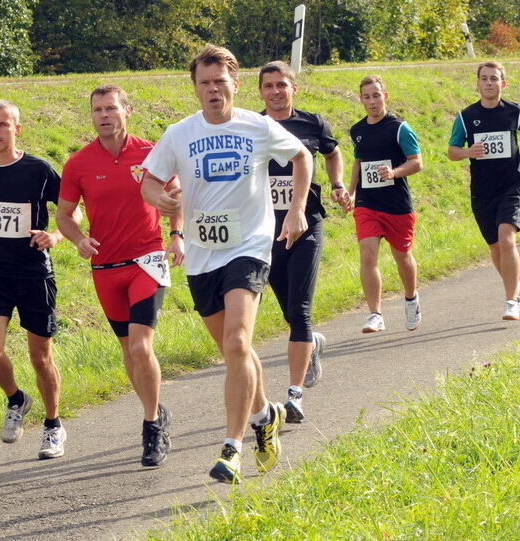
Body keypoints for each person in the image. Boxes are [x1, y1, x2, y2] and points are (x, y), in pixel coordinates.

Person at [141, 45, 313, 483]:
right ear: (195, 88)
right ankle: (263, 413)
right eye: (205, 83)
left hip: (250, 246)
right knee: (234, 352)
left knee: (237, 343)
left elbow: (301, 157)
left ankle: (231, 447)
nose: (213, 89)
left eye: (221, 81)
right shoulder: (180, 132)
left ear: (235, 83)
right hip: (202, 255)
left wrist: (295, 210)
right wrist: (158, 198)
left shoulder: (257, 126)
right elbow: (149, 180)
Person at [56, 84, 184, 467]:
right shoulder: (78, 163)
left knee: (142, 346)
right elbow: (64, 214)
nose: (104, 116)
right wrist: (78, 239)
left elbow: (177, 197)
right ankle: (156, 409)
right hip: (105, 267)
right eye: (97, 110)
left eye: (111, 108)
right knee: (128, 351)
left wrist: (176, 235)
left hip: (146, 260)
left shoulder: (150, 153)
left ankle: (150, 428)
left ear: (127, 111)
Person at [0, 100, 69, 460]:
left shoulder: (39, 169)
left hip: (34, 273)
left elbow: (72, 210)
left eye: (3, 125)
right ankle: (16, 399)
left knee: (41, 358)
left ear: (16, 129)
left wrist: (54, 236)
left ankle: (53, 425)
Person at [258, 61, 349, 423]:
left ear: (293, 88)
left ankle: (294, 397)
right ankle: (311, 345)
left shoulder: (312, 123)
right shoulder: (254, 127)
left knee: (301, 310)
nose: (276, 91)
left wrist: (338, 184)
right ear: (261, 92)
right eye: (268, 86)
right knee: (289, 310)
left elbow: (333, 152)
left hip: (306, 225)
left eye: (282, 85)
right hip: (266, 231)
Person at [346, 75, 423, 333]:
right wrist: (351, 191)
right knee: (367, 254)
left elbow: (417, 162)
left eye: (376, 95)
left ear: (385, 96)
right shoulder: (357, 131)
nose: (372, 101)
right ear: (361, 99)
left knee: (403, 257)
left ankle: (411, 298)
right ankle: (375, 314)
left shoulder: (400, 128)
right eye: (366, 97)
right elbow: (358, 162)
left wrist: (394, 173)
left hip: (397, 205)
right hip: (367, 204)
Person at [448, 61, 520, 320]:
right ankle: (516, 289)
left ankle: (511, 300)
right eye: (485, 79)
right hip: (482, 191)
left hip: (513, 186)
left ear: (504, 83)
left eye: (494, 78)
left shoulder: (515, 112)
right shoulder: (465, 117)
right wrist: (468, 152)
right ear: (478, 83)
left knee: (506, 236)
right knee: (495, 247)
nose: (489, 83)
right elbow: (452, 151)